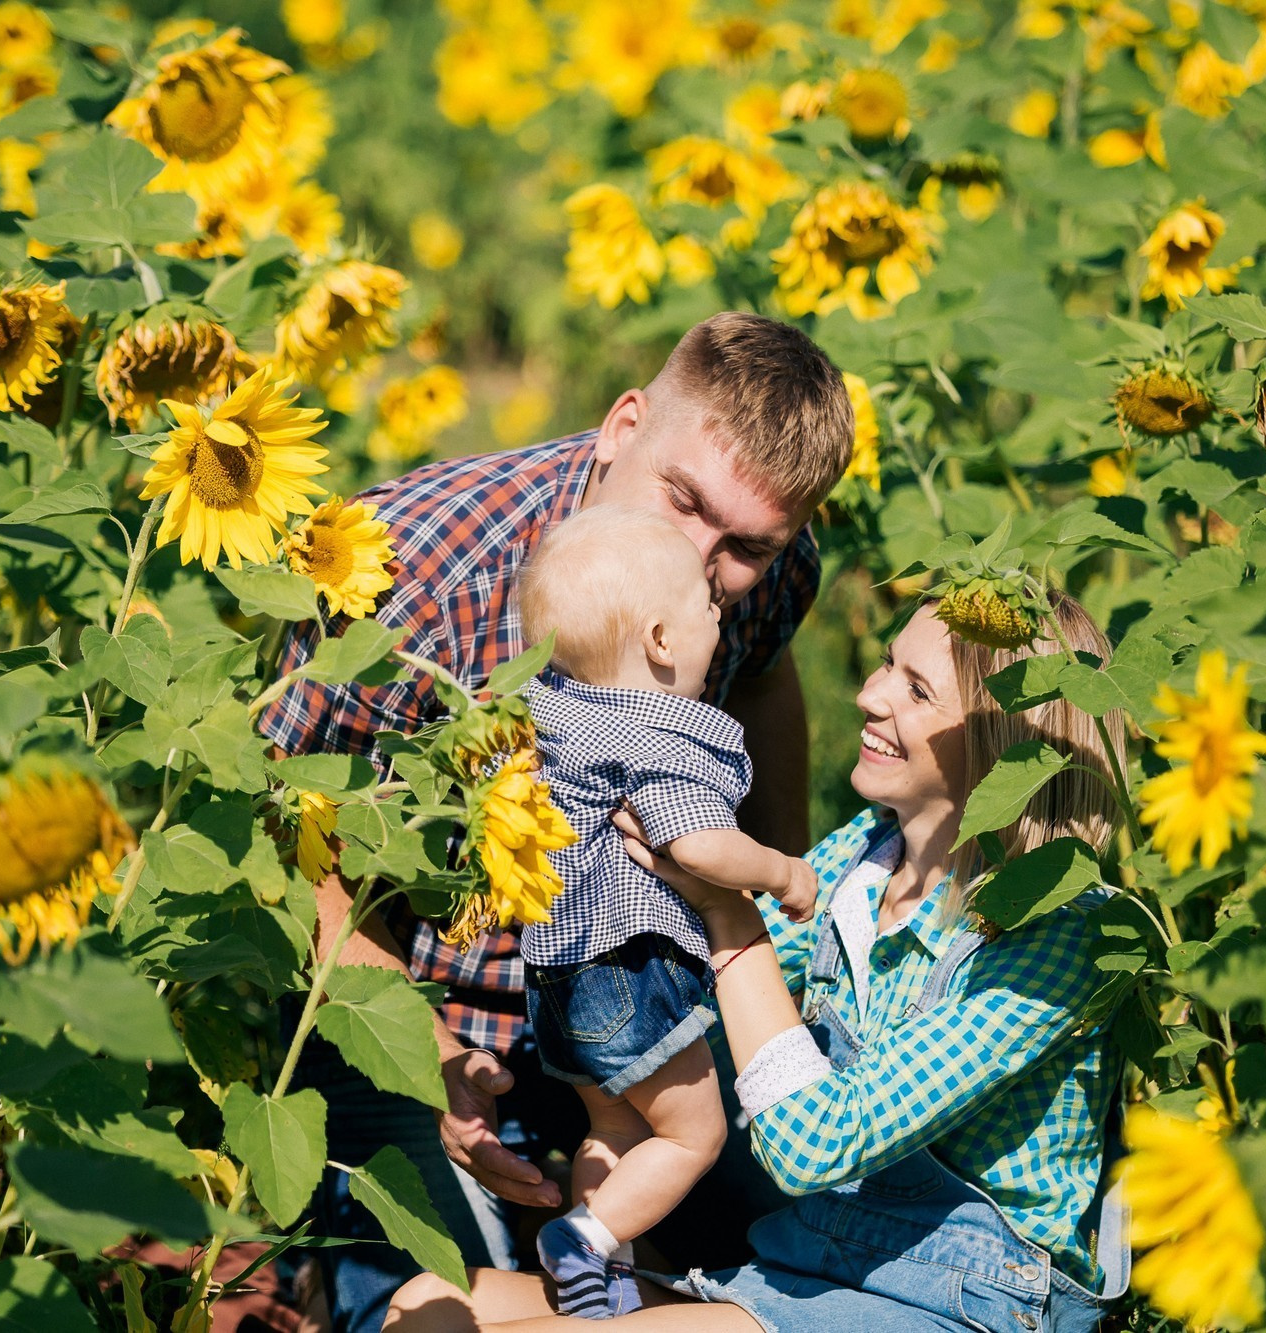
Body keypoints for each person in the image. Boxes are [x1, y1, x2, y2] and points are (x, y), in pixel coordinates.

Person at [259, 312, 856, 1333]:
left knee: (823, 1241)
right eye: (682, 501)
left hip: (644, 998)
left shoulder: (756, 573)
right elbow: (283, 838)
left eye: (746, 547)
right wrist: (424, 1054)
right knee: (410, 1301)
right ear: (622, 427)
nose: (699, 558)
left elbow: (761, 677)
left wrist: (773, 915)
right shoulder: (412, 573)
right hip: (402, 999)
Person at [386, 593, 1133, 1332]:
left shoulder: (1061, 928)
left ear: (1005, 742)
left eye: (916, 690)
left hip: (958, 1302)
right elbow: (693, 995)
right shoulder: (863, 858)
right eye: (885, 664)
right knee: (427, 1305)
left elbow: (814, 1145)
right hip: (812, 1266)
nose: (869, 695)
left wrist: (728, 909)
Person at [511, 507, 820, 1318]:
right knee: (694, 1135)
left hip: (556, 976)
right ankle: (583, 1238)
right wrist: (782, 869)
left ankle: (603, 1275)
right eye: (705, 604)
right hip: (629, 973)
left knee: (615, 1130)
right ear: (659, 639)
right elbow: (700, 847)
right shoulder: (662, 738)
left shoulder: (555, 707)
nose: (719, 612)